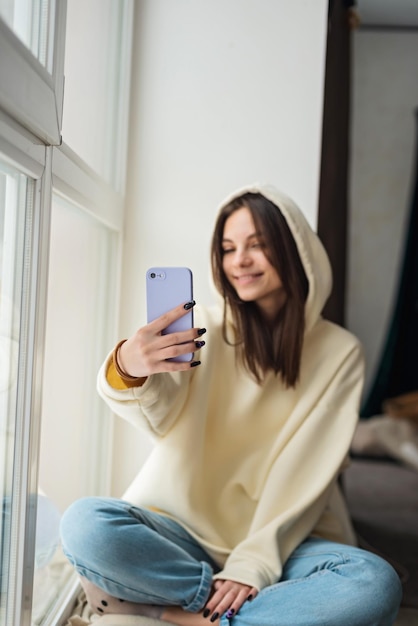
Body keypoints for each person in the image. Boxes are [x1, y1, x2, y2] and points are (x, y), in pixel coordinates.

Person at [60, 184, 402, 626]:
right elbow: (162, 417)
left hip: (287, 541)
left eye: (257, 245)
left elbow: (302, 470)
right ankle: (220, 610)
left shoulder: (339, 352)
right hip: (183, 530)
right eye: (227, 248)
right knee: (85, 524)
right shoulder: (202, 326)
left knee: (373, 584)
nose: (239, 260)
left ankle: (174, 614)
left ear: (295, 249)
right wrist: (130, 366)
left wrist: (252, 564)